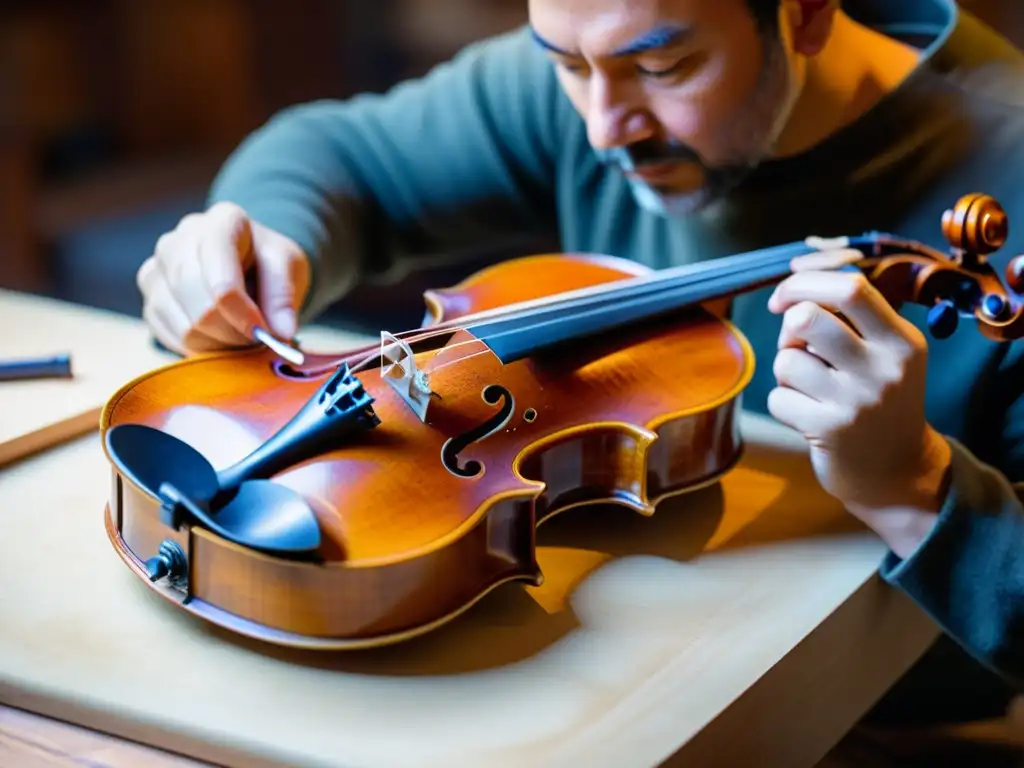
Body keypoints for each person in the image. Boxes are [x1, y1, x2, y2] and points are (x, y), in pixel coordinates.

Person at [137, 0, 1024, 758]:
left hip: (880, 735)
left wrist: (912, 483)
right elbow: (336, 156)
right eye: (562, 62)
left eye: (667, 66)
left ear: (809, 13)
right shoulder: (603, 58)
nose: (603, 128)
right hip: (593, 678)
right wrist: (257, 240)